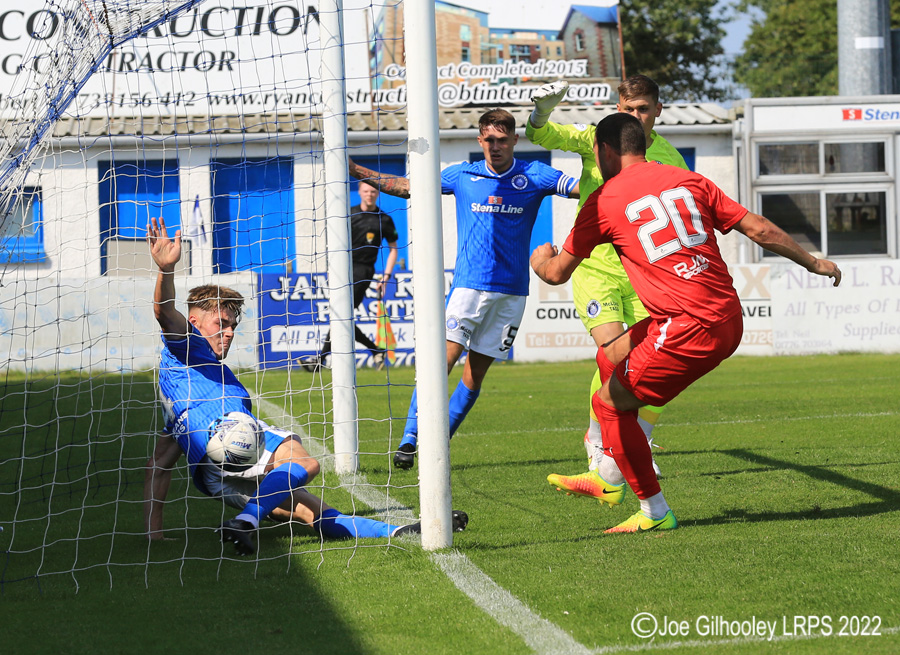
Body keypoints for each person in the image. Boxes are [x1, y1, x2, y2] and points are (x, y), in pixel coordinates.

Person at [530, 113, 841, 532]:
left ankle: (652, 510)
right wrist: (814, 262)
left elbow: (555, 274)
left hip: (687, 327)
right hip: (726, 314)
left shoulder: (602, 201)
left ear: (603, 152)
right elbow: (760, 229)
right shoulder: (688, 180)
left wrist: (539, 259)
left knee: (609, 404)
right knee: (611, 355)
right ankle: (611, 472)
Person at [144, 217, 467, 555]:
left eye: (233, 326)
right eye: (220, 324)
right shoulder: (188, 344)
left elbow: (159, 464)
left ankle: (399, 531)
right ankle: (246, 521)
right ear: (194, 323)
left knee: (309, 511)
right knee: (307, 463)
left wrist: (154, 538)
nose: (228, 333)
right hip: (233, 433)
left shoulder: (178, 394)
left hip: (213, 475)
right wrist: (166, 270)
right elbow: (165, 314)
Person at [348, 108, 579, 469]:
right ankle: (410, 439)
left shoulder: (535, 175)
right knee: (442, 364)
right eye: (489, 139)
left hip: (512, 294)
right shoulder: (463, 175)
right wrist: (357, 170)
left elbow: (585, 189)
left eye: (503, 140)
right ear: (479, 140)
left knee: (475, 375)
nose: (495, 146)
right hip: (469, 289)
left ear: (515, 140)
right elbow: (408, 187)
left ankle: (437, 443)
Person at [527, 75, 688, 496]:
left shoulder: (670, 157)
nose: (635, 116)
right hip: (594, 268)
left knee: (655, 360)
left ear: (657, 109)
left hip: (642, 274)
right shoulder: (596, 138)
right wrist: (543, 110)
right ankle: (600, 444)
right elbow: (540, 133)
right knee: (613, 356)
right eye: (628, 108)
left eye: (643, 109)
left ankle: (633, 438)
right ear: (617, 107)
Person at [299, 182, 399, 372]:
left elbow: (393, 248)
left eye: (372, 191)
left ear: (377, 193)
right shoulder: (349, 214)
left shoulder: (384, 219)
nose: (369, 194)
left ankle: (321, 360)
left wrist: (386, 276)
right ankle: (375, 349)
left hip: (363, 271)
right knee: (341, 317)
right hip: (343, 270)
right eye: (366, 191)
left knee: (341, 316)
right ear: (360, 192)